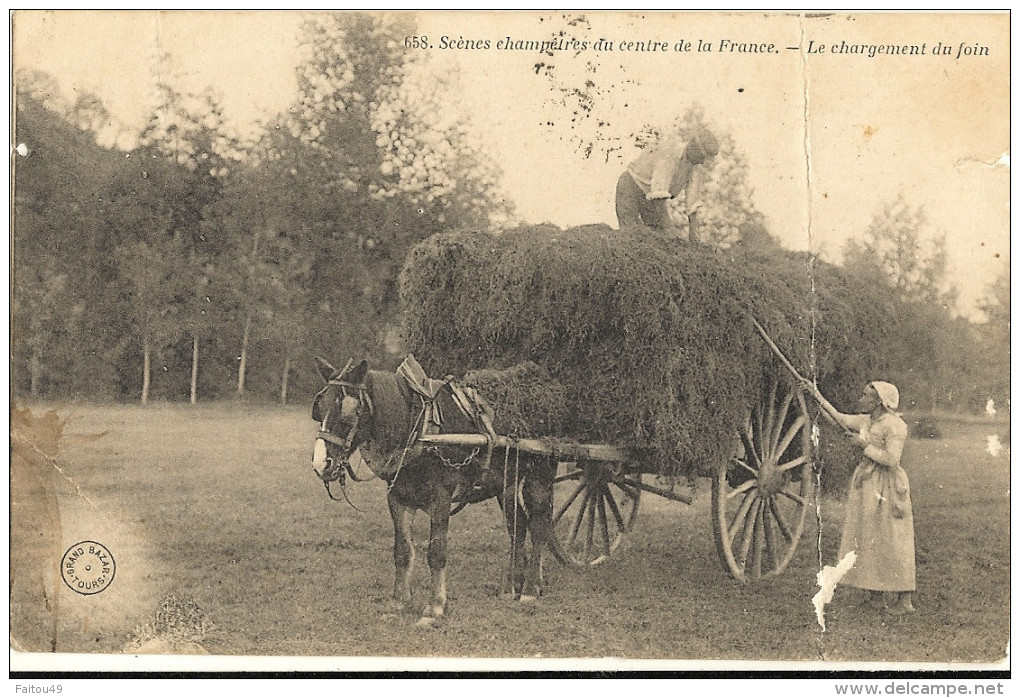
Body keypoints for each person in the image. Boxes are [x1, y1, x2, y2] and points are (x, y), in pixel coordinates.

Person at [800, 379, 916, 615]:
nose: (861, 400)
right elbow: (839, 418)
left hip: (888, 486)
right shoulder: (867, 420)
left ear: (880, 402)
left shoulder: (895, 426)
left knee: (893, 539)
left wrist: (863, 445)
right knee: (870, 537)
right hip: (868, 483)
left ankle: (905, 600)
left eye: (866, 397)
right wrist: (815, 394)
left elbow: (892, 460)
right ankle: (876, 595)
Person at [615, 125, 719, 243]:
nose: (702, 161)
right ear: (693, 148)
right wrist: (669, 229)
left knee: (660, 241)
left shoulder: (694, 166)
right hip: (632, 185)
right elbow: (658, 194)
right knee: (631, 236)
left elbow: (692, 200)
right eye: (701, 156)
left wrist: (693, 231)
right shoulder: (670, 152)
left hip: (650, 196)